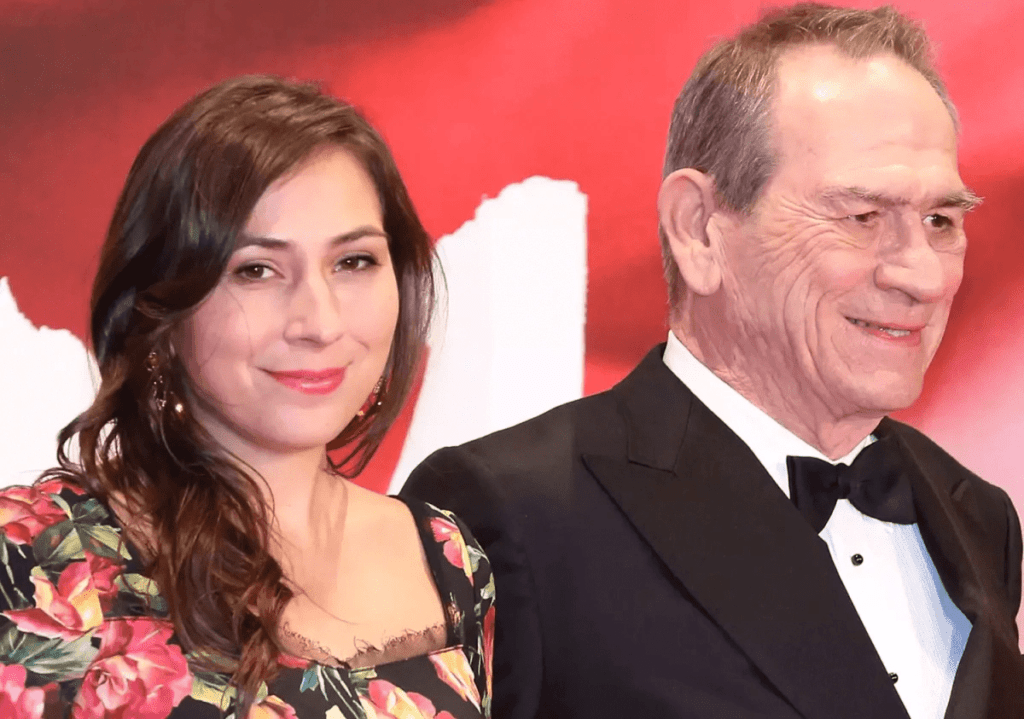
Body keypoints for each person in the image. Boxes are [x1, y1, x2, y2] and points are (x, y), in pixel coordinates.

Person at [401, 4, 1024, 719]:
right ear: (698, 229)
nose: (924, 275)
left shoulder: (978, 516)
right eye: (862, 217)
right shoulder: (504, 512)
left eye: (941, 221)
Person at [0, 75, 494, 719]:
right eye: (255, 270)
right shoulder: (31, 558)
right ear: (160, 308)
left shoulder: (450, 558)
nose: (320, 323)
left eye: (354, 262)